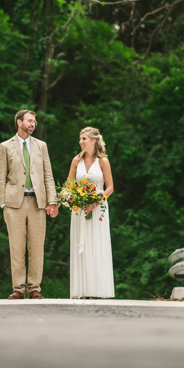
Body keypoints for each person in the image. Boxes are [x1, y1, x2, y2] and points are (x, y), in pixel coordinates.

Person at [0, 109, 58, 300]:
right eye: (29, 121)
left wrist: (52, 201)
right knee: (16, 247)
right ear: (19, 122)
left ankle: (34, 288)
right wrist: (3, 203)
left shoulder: (41, 146)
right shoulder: (5, 146)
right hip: (14, 204)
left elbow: (48, 174)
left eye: (34, 122)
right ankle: (18, 288)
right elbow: (0, 176)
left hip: (38, 203)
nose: (32, 124)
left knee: (37, 247)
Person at [67, 126, 115, 299]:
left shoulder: (103, 161)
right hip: (79, 210)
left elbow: (110, 187)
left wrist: (96, 202)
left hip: (98, 210)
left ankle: (96, 290)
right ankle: (82, 291)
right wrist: (71, 197)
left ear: (94, 141)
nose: (81, 142)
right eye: (80, 139)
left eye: (84, 139)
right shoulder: (76, 161)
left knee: (96, 246)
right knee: (82, 247)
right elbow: (69, 185)